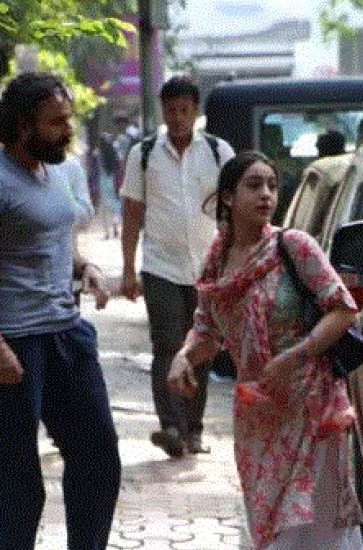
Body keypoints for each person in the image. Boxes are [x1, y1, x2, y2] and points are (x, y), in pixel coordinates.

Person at [168, 151, 363, 550]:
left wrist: (296, 355)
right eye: (253, 185)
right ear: (227, 197)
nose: (265, 195)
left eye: (272, 186)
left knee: (300, 527)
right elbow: (207, 328)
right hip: (259, 417)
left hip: (313, 409)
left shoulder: (294, 248)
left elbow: (342, 308)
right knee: (271, 528)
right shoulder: (217, 263)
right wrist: (184, 357)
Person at [0, 72, 134, 550]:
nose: (66, 130)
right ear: (23, 125)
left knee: (98, 450)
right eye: (56, 122)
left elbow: (52, 240)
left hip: (65, 330)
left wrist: (84, 267)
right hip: (12, 338)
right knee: (16, 459)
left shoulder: (56, 173)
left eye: (68, 120)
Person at [119, 75, 234, 458]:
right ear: (162, 112)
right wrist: (128, 268)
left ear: (196, 111)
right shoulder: (144, 154)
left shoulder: (218, 152)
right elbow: (132, 212)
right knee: (167, 345)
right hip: (161, 267)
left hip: (208, 269)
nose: (178, 118)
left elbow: (233, 209)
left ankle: (193, 430)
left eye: (185, 110)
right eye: (171, 111)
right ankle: (170, 426)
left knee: (200, 348)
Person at [95, 133, 122, 239]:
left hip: (102, 183)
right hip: (113, 182)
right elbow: (120, 169)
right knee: (115, 206)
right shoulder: (115, 153)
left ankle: (106, 233)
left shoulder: (97, 155)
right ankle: (115, 226)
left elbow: (94, 172)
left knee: (104, 208)